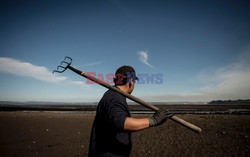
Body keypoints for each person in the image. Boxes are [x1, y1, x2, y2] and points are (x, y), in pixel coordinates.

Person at [88, 65, 173, 157]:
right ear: (131, 82)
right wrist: (154, 120)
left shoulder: (113, 95)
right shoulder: (115, 98)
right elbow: (121, 122)